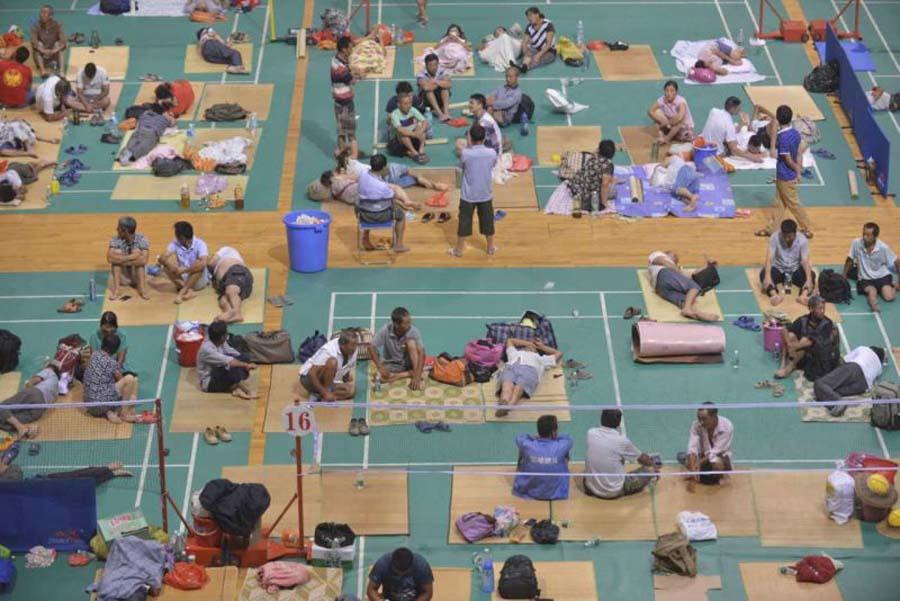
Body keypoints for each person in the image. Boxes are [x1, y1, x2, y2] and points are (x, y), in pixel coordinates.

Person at [756, 105, 812, 239]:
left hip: (786, 176)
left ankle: (807, 228)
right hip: (783, 175)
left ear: (778, 120)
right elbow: (799, 153)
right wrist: (798, 171)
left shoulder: (784, 139)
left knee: (793, 204)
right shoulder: (795, 133)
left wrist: (797, 171)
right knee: (779, 203)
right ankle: (772, 229)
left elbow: (788, 160)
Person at [584, 409, 659, 498]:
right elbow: (642, 459)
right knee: (649, 470)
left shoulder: (591, 433)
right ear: (618, 423)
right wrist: (653, 466)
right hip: (612, 492)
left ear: (601, 419)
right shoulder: (622, 441)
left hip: (590, 488)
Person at [450, 124, 498, 258]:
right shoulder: (491, 153)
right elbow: (493, 164)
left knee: (464, 221)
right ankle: (490, 248)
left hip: (468, 195)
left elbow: (461, 166)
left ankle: (459, 250)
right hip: (485, 194)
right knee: (488, 220)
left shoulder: (465, 153)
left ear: (470, 137)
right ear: (484, 138)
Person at [357, 154, 415, 253]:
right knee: (400, 215)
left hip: (362, 215)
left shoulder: (363, 174)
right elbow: (392, 198)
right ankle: (399, 245)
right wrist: (404, 202)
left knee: (365, 204)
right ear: (383, 167)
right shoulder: (383, 187)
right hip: (378, 216)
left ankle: (365, 238)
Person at [494, 337, 562, 417]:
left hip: (529, 371)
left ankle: (507, 407)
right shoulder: (515, 353)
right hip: (511, 368)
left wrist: (542, 346)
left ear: (537, 351)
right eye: (527, 347)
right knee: (506, 386)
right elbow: (510, 340)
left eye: (533, 348)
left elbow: (558, 353)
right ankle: (503, 403)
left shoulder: (540, 358)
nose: (530, 348)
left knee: (518, 389)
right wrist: (530, 343)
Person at [775, 295, 839, 381]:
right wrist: (790, 344)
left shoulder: (827, 323)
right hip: (799, 354)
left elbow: (812, 341)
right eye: (819, 308)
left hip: (816, 357)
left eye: (823, 308)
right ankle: (782, 364)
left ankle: (789, 368)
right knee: (790, 336)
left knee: (804, 340)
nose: (823, 311)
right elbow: (784, 329)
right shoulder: (803, 320)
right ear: (811, 309)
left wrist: (795, 347)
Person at [843, 222, 899, 312]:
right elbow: (849, 259)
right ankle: (874, 306)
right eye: (864, 234)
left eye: (868, 235)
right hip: (865, 279)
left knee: (889, 297)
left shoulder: (883, 248)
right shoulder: (856, 243)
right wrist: (844, 275)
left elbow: (897, 261)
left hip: (882, 277)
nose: (865, 237)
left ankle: (895, 287)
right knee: (872, 292)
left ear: (875, 236)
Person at [513, 414, 572, 500]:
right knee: (565, 453)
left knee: (522, 450)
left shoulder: (527, 445)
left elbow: (520, 437)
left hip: (528, 492)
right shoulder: (561, 445)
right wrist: (555, 437)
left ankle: (522, 471)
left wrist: (534, 438)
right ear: (553, 432)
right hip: (557, 493)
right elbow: (568, 438)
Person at [648, 251, 719, 321]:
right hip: (664, 274)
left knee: (685, 300)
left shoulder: (677, 268)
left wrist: (708, 266)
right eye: (674, 255)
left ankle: (696, 313)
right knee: (694, 287)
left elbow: (692, 275)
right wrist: (680, 272)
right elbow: (664, 262)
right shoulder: (658, 254)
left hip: (660, 289)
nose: (676, 257)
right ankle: (687, 309)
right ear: (666, 254)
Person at [83, 334, 139, 424]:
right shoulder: (112, 363)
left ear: (102, 344)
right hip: (101, 405)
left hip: (89, 405)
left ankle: (109, 412)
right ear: (115, 350)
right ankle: (124, 414)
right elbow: (121, 380)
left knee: (108, 386)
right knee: (130, 379)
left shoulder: (93, 355)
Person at [815, 346, 885, 416]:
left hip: (854, 368)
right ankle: (836, 404)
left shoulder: (864, 349)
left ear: (871, 349)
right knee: (831, 390)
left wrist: (833, 373)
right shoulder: (880, 369)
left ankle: (837, 403)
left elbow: (843, 361)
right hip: (863, 386)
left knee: (820, 383)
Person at [369, 307, 426, 391]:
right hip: (393, 364)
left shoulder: (413, 331)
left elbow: (422, 353)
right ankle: (408, 373)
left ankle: (409, 373)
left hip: (410, 362)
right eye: (406, 323)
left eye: (410, 321)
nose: (410, 324)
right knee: (379, 377)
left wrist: (417, 377)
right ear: (396, 324)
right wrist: (380, 367)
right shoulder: (386, 330)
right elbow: (371, 347)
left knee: (411, 343)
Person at [759, 219, 814, 307]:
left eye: (789, 236)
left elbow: (805, 260)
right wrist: (767, 276)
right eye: (784, 236)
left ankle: (803, 296)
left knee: (811, 275)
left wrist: (808, 279)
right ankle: (775, 295)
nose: (786, 239)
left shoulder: (803, 240)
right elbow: (769, 258)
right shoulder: (775, 237)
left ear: (795, 233)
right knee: (763, 273)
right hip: (779, 269)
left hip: (794, 270)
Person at [680, 403, 733, 491]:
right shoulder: (696, 425)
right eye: (699, 418)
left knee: (717, 466)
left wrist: (697, 464)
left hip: (719, 457)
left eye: (704, 419)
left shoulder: (727, 426)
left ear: (714, 416)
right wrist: (693, 468)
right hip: (702, 455)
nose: (701, 422)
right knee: (689, 462)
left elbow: (715, 452)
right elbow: (692, 447)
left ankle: (724, 475)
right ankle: (698, 474)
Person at [197, 321, 258, 399]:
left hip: (218, 370)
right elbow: (230, 362)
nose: (227, 335)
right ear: (222, 337)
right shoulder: (207, 350)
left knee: (244, 358)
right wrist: (246, 365)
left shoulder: (217, 338)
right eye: (226, 334)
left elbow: (229, 350)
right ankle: (247, 391)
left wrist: (243, 358)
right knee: (232, 367)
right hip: (209, 382)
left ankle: (235, 388)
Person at [0, 362, 59, 440]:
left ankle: (20, 427)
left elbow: (34, 381)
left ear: (49, 366)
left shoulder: (49, 370)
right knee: (10, 421)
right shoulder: (57, 387)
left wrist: (27, 387)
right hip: (40, 409)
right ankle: (27, 429)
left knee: (2, 407)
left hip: (35, 393)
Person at [299, 330, 358, 402]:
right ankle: (325, 392)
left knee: (351, 391)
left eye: (356, 344)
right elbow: (311, 373)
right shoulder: (328, 350)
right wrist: (325, 393)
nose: (355, 347)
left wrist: (346, 377)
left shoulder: (353, 350)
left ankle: (318, 395)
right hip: (308, 379)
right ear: (343, 345)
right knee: (332, 362)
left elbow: (347, 366)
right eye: (352, 345)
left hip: (328, 381)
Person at [159, 221, 210, 304]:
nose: (175, 236)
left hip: (197, 279)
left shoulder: (200, 244)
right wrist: (170, 265)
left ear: (182, 237)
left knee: (199, 264)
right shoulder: (175, 243)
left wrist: (184, 270)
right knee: (166, 268)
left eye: (176, 234)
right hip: (183, 280)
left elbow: (203, 263)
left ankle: (182, 292)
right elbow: (162, 258)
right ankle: (189, 291)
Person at [700, 96, 761, 162]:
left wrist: (741, 124)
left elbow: (722, 128)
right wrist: (752, 157)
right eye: (738, 108)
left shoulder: (714, 111)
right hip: (714, 154)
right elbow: (734, 149)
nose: (740, 110)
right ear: (733, 108)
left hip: (701, 147)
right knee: (732, 149)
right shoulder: (729, 123)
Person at [568, 139, 616, 216]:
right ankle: (586, 205)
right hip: (589, 197)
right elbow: (604, 185)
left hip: (577, 188)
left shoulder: (592, 157)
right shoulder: (608, 165)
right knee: (614, 192)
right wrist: (604, 204)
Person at [107, 215, 150, 301]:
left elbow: (144, 261)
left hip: (137, 276)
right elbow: (109, 258)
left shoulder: (142, 239)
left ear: (125, 231)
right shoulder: (115, 239)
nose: (117, 229)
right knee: (121, 253)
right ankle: (117, 290)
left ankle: (142, 289)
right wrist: (132, 257)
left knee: (137, 252)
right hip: (123, 278)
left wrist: (121, 260)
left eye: (119, 227)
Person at [367, 547, 434, 601]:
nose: (400, 576)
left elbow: (428, 593)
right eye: (397, 573)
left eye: (404, 574)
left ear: (411, 566)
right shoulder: (382, 564)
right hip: (389, 597)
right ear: (391, 564)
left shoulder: (421, 565)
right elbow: (371, 590)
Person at [332, 36, 361, 159]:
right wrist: (361, 75)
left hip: (339, 100)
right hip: (345, 102)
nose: (352, 49)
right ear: (344, 49)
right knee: (351, 132)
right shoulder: (340, 68)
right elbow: (352, 80)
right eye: (350, 48)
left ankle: (341, 151)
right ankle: (353, 157)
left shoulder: (338, 60)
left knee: (341, 130)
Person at [207, 246, 254, 323]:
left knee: (230, 291)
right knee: (223, 300)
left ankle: (237, 313)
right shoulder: (211, 273)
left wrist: (206, 263)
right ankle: (229, 314)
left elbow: (211, 262)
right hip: (230, 283)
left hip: (236, 271)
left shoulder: (226, 250)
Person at [648, 80, 694, 144]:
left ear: (676, 92)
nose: (669, 93)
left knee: (680, 123)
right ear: (664, 91)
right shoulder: (662, 99)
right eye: (667, 90)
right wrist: (662, 121)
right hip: (670, 126)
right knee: (657, 112)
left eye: (672, 91)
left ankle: (667, 139)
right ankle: (661, 137)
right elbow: (650, 111)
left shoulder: (681, 102)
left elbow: (680, 118)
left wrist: (667, 124)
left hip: (683, 128)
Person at [487, 66, 530, 135]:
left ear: (517, 77)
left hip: (505, 117)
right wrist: (490, 100)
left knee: (486, 111)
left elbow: (506, 104)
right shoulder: (500, 88)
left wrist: (493, 104)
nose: (507, 79)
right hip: (496, 110)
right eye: (506, 76)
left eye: (510, 77)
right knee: (484, 107)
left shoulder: (517, 93)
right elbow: (490, 96)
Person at [388, 93, 429, 163]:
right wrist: (414, 134)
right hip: (397, 141)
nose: (408, 106)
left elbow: (425, 121)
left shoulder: (413, 110)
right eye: (405, 104)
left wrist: (421, 131)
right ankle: (414, 153)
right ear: (399, 105)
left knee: (420, 126)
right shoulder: (394, 114)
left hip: (412, 136)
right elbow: (400, 129)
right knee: (402, 133)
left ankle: (421, 149)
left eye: (410, 103)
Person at [514, 7, 556, 73]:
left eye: (530, 15)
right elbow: (524, 42)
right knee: (526, 57)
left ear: (537, 14)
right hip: (535, 49)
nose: (529, 18)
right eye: (527, 16)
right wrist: (526, 53)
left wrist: (539, 55)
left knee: (536, 60)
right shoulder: (529, 26)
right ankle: (522, 65)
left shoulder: (548, 25)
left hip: (549, 51)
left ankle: (525, 68)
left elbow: (548, 44)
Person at [31, 5, 66, 78]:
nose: (41, 14)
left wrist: (54, 50)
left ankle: (61, 72)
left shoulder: (58, 24)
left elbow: (63, 42)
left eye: (44, 12)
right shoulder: (35, 26)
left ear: (51, 16)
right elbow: (34, 42)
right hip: (42, 55)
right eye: (41, 12)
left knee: (58, 44)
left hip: (54, 53)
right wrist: (43, 51)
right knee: (39, 44)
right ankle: (43, 71)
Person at [417, 53, 452, 122]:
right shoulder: (420, 74)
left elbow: (449, 84)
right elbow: (426, 87)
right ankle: (440, 114)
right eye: (431, 65)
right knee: (429, 91)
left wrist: (435, 81)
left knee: (445, 89)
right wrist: (441, 83)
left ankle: (446, 112)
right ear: (426, 65)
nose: (434, 67)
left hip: (439, 97)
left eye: (435, 64)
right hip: (426, 101)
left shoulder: (442, 70)